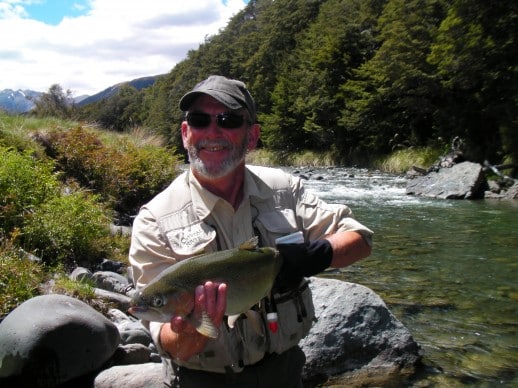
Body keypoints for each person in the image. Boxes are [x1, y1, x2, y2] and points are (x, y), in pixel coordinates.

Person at [129, 75, 373, 387]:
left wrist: (316, 255)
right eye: (200, 120)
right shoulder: (154, 220)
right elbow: (169, 343)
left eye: (228, 120)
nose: (213, 132)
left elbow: (360, 239)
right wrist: (193, 325)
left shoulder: (285, 190)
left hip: (285, 373)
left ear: (252, 136)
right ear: (185, 133)